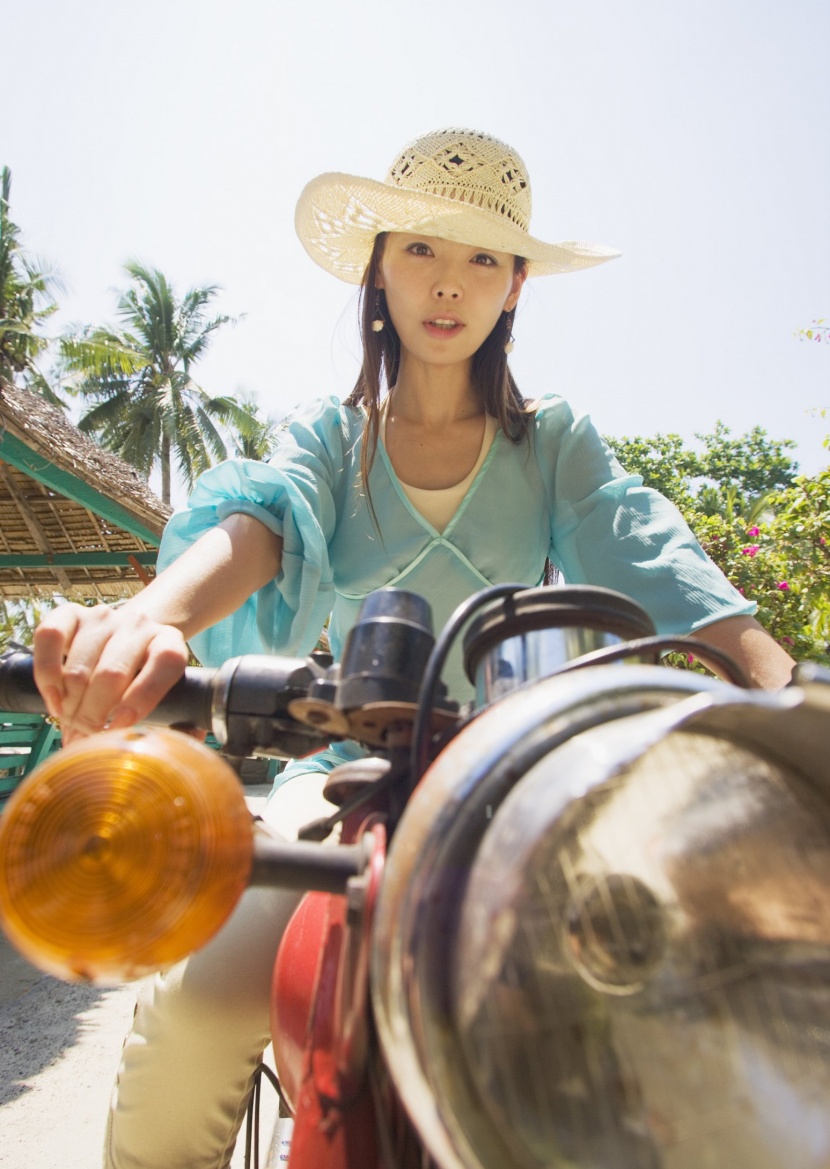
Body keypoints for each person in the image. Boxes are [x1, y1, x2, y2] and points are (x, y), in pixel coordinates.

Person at [32, 128, 795, 1168]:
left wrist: (785, 688)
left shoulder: (553, 443)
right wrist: (151, 620)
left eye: (484, 256)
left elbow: (647, 553)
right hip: (341, 770)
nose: (450, 284)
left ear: (516, 285)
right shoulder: (330, 441)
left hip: (515, 782)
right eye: (423, 250)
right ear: (379, 268)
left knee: (660, 1017)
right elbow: (263, 525)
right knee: (201, 1017)